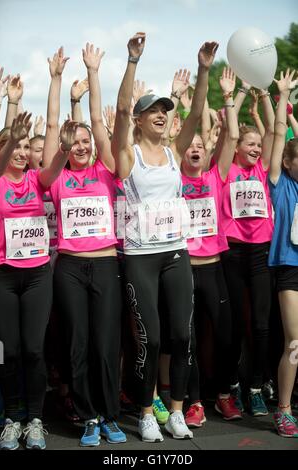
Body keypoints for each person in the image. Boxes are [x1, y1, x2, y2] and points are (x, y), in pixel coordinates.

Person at [111, 32, 218, 442]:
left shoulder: (175, 150)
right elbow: (121, 109)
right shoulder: (128, 155)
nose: (161, 114)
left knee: (180, 334)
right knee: (150, 338)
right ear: (139, 120)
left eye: (164, 110)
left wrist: (204, 70)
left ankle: (175, 411)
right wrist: (133, 61)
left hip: (175, 252)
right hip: (141, 256)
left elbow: (193, 114)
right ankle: (144, 411)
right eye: (152, 110)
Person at [43, 45, 126, 446]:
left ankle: (110, 416)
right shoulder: (56, 175)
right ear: (64, 147)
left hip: (107, 265)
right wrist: (57, 81)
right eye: (74, 142)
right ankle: (88, 415)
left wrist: (94, 73)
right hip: (71, 269)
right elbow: (52, 129)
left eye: (86, 141)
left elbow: (96, 119)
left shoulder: (105, 169)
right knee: (76, 344)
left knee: (106, 344)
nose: (82, 145)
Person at [0, 113, 77, 450]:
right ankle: (12, 419)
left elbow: (54, 168)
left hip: (37, 274)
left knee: (33, 349)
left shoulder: (36, 180)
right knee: (9, 352)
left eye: (24, 147)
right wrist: (8, 141)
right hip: (3, 275)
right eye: (13, 146)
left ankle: (34, 420)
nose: (20, 152)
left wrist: (64, 148)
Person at [181, 67, 242, 425]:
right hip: (183, 267)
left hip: (214, 266)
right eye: (190, 146)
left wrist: (229, 97)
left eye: (201, 146)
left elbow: (232, 136)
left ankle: (222, 394)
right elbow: (184, 133)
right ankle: (193, 402)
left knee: (225, 334)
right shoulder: (174, 178)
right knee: (185, 338)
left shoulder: (215, 175)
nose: (196, 149)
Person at [220, 82, 275, 416]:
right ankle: (232, 386)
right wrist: (233, 97)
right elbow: (227, 133)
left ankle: (256, 386)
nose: (256, 148)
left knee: (262, 324)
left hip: (260, 253)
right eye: (250, 144)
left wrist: (268, 95)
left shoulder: (262, 168)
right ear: (237, 146)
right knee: (235, 326)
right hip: (233, 253)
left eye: (258, 144)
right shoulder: (226, 170)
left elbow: (275, 131)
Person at [268, 68, 298, 437]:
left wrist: (294, 116)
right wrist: (282, 103)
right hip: (289, 267)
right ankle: (284, 409)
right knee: (295, 342)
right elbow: (278, 138)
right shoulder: (280, 184)